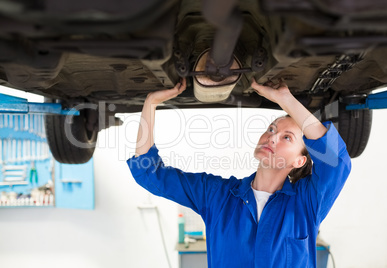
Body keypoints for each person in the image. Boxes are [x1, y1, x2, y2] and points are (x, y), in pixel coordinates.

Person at [127, 78, 352, 268]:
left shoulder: (307, 203)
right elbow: (148, 173)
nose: (272, 137)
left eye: (287, 138)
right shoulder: (216, 196)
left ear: (299, 160)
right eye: (271, 129)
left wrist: (286, 100)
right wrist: (151, 102)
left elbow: (337, 161)